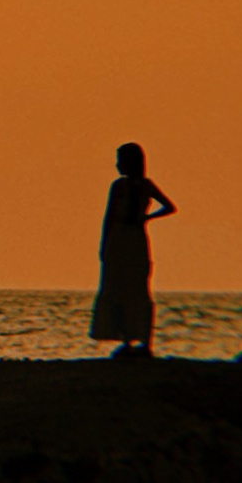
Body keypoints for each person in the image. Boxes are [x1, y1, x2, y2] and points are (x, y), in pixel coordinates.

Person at [89, 141, 175, 359]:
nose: (118, 165)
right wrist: (105, 244)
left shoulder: (140, 185)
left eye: (121, 160)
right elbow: (109, 216)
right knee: (121, 287)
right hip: (123, 239)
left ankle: (142, 341)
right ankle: (129, 339)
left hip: (131, 240)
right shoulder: (122, 186)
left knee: (136, 288)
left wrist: (146, 218)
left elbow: (169, 206)